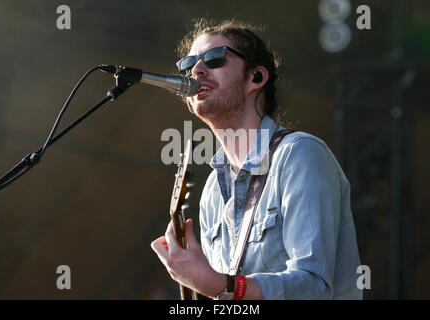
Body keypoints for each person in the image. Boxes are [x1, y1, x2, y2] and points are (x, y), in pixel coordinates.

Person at [151, 19, 362, 300]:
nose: (197, 70)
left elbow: (314, 287)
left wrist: (220, 284)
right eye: (189, 64)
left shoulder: (299, 154)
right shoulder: (213, 190)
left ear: (257, 78)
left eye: (214, 59)